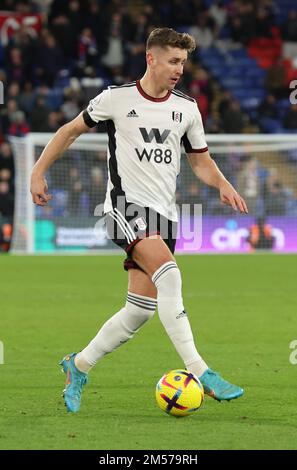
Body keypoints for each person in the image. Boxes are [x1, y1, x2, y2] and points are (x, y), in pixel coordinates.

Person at [30, 28, 248, 413]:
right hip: (123, 208)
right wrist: (38, 171)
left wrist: (222, 183)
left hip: (166, 215)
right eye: (173, 61)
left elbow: (199, 160)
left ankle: (78, 365)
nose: (180, 69)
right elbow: (70, 131)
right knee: (171, 274)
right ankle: (200, 370)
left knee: (139, 310)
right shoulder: (116, 99)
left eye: (183, 62)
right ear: (151, 58)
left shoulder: (187, 108)